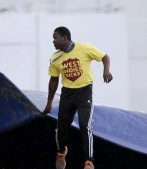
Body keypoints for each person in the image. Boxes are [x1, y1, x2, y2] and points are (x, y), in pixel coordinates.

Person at [43, 26, 113, 169]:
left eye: (55, 38)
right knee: (61, 127)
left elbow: (105, 57)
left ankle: (88, 161)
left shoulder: (84, 48)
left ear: (65, 38)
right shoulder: (55, 57)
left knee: (84, 125)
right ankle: (61, 152)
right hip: (67, 93)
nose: (53, 41)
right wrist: (49, 102)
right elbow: (53, 81)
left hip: (84, 91)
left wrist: (106, 71)